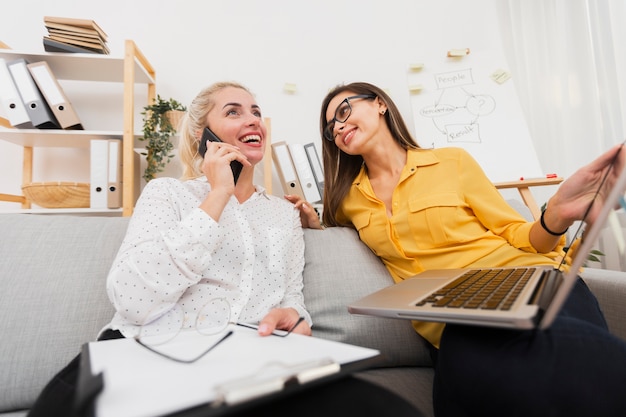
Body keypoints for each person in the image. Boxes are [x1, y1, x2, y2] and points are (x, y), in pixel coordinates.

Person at [28, 81, 422, 417]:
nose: (253, 120)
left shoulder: (283, 216)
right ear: (204, 134)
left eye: (255, 111)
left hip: (248, 361)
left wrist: (295, 317)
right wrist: (217, 195)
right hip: (145, 352)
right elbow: (133, 299)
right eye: (234, 112)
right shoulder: (168, 194)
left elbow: (292, 298)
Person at [288, 81, 626, 417]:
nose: (340, 126)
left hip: (526, 283)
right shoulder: (347, 199)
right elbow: (332, 233)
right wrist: (310, 225)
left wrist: (554, 216)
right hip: (454, 320)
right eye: (331, 128)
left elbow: (516, 234)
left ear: (379, 103)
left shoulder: (452, 162)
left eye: (344, 111)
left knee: (535, 362)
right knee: (467, 379)